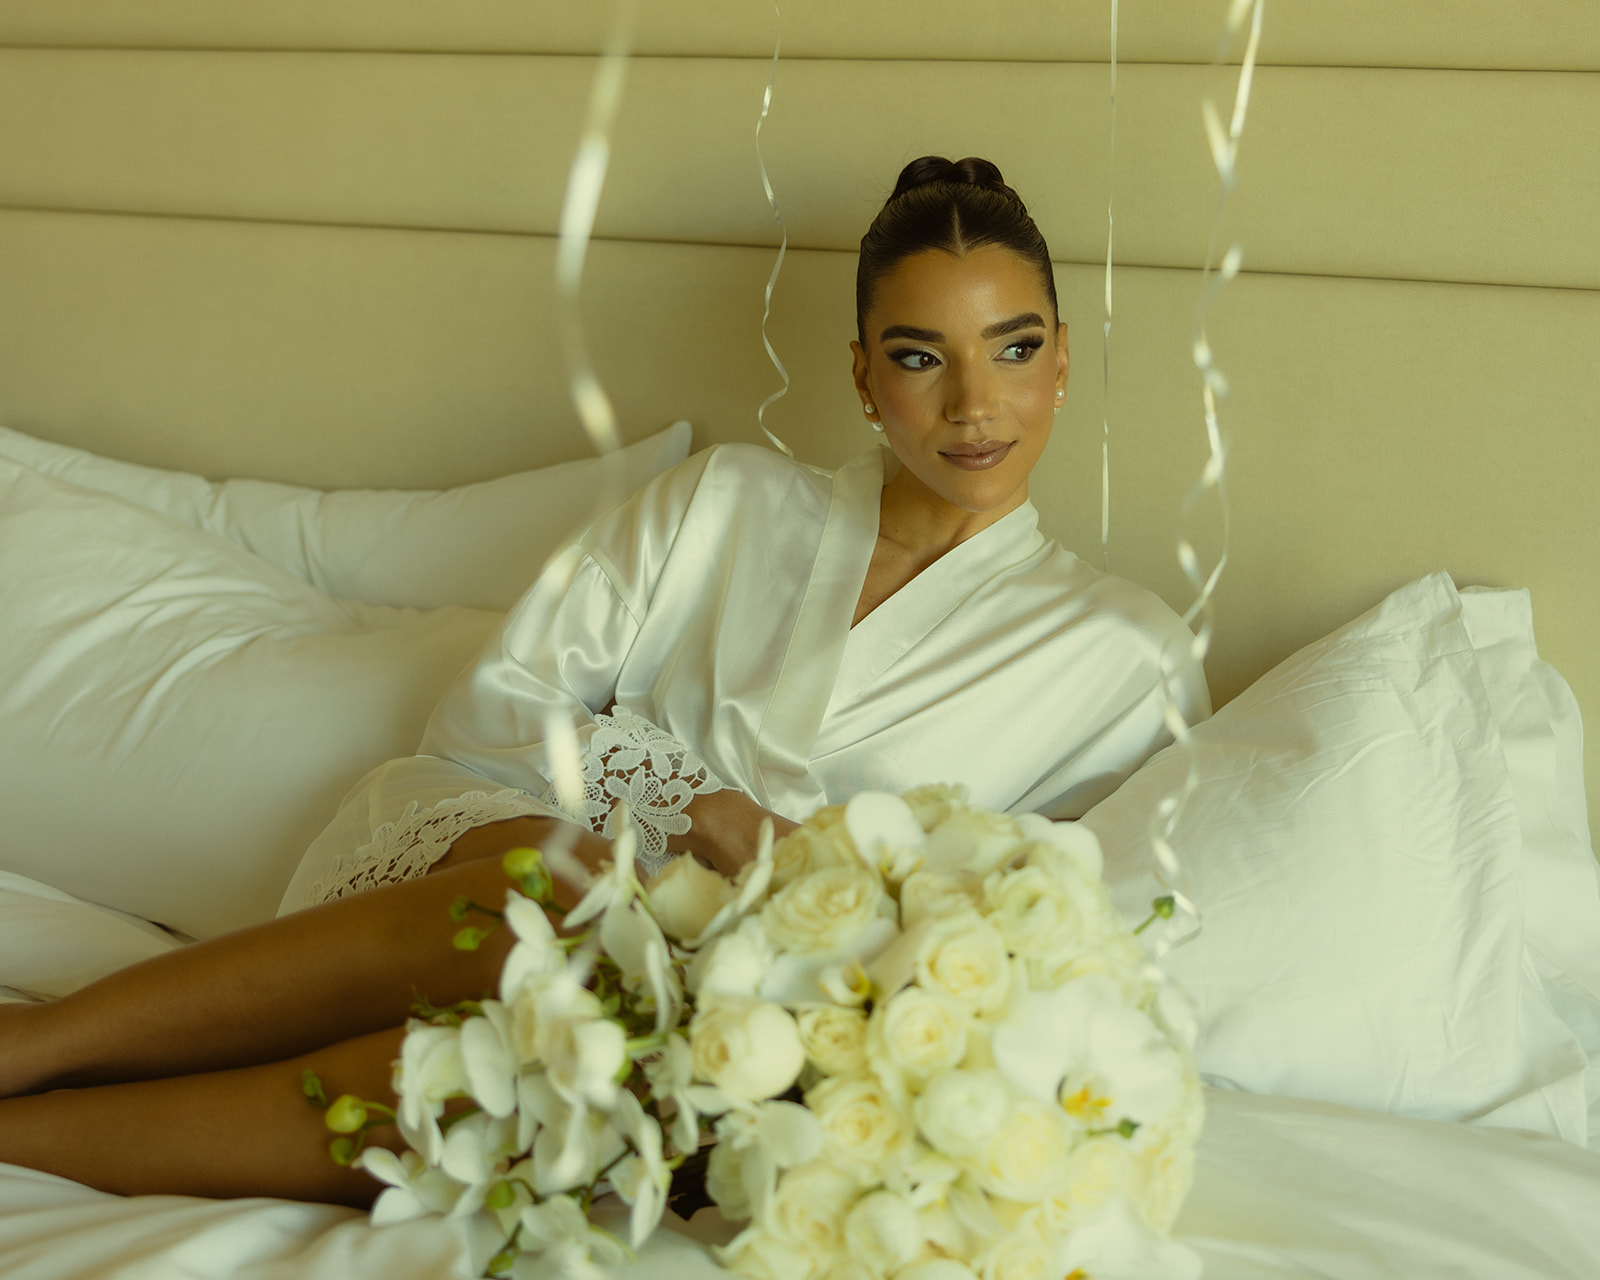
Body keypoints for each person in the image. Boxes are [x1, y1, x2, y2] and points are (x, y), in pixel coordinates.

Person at [0, 156, 1207, 1208]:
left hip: (737, 1005)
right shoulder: (727, 501)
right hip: (499, 847)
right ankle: (35, 1047)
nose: (972, 403)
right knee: (574, 899)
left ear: (1061, 360)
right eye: (917, 356)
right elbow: (500, 700)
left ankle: (24, 1119)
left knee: (567, 1045)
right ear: (860, 376)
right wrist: (700, 809)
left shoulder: (1121, 652)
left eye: (1014, 347)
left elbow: (1072, 945)